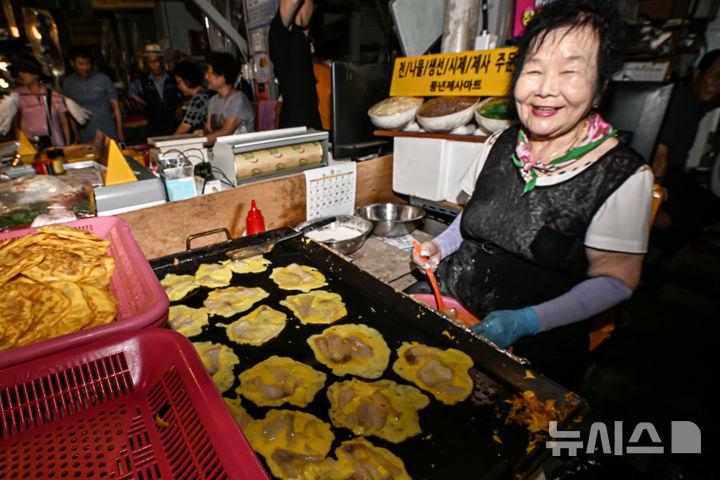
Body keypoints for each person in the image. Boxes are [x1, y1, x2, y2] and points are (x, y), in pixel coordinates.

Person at [409, 0, 654, 387]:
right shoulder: (499, 142)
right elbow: (472, 216)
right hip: (451, 298)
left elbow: (617, 280)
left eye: (570, 71)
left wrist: (526, 321)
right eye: (534, 69)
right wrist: (441, 244)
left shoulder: (623, 175)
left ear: (600, 87)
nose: (545, 89)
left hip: (539, 334)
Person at [650, 50, 720, 256]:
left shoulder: (693, 105)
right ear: (698, 74)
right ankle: (649, 252)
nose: (718, 85)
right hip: (657, 174)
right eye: (715, 76)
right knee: (702, 209)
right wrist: (654, 204)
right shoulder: (682, 101)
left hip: (672, 172)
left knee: (709, 206)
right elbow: (659, 156)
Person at [269, 0, 322, 129]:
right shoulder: (279, 31)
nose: (311, 6)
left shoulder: (304, 38)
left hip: (312, 119)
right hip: (294, 122)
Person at [62, 46, 124, 143]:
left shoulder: (103, 79)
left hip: (108, 131)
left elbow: (116, 106)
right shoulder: (68, 84)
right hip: (85, 135)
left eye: (88, 63)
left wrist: (120, 130)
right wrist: (75, 134)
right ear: (72, 63)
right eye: (81, 64)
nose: (85, 67)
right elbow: (70, 112)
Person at [12, 54, 70, 148]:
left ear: (36, 75)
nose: (21, 75)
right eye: (20, 71)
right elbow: (15, 123)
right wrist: (20, 143)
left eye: (25, 72)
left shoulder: (53, 95)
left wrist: (67, 145)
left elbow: (64, 122)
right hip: (31, 146)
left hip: (55, 144)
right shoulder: (17, 96)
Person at [129, 44, 181, 138]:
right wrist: (145, 103)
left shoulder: (172, 78)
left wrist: (181, 107)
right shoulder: (144, 80)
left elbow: (184, 93)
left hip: (173, 120)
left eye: (156, 61)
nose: (154, 65)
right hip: (155, 121)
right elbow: (131, 92)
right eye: (150, 62)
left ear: (161, 61)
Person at [203, 52, 255, 147]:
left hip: (240, 151)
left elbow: (226, 132)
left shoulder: (238, 99)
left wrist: (197, 143)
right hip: (221, 149)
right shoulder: (214, 100)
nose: (206, 76)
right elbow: (208, 129)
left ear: (223, 77)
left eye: (209, 72)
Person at [173, 60, 209, 135]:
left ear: (188, 80)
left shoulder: (199, 99)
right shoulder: (204, 93)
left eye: (179, 82)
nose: (178, 86)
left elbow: (184, 127)